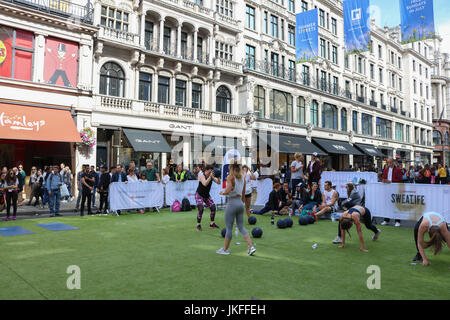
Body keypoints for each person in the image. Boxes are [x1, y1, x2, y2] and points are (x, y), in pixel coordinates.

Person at [216, 160, 256, 256]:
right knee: (241, 227)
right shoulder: (242, 178)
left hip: (232, 203)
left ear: (231, 167)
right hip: (240, 203)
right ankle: (250, 246)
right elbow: (242, 193)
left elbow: (228, 190)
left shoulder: (230, 177)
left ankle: (225, 249)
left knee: (229, 228)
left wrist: (223, 192)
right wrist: (241, 202)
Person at [195, 165, 221, 231]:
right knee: (201, 209)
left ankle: (212, 224)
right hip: (199, 195)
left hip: (206, 195)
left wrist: (218, 176)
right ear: (206, 170)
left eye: (212, 172)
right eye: (210, 171)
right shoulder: (201, 175)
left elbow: (218, 182)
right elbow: (205, 184)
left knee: (213, 208)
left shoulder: (211, 176)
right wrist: (210, 177)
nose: (211, 173)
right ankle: (198, 225)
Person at [381, 158, 402, 227]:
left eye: (389, 162)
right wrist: (384, 180)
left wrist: (391, 181)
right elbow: (383, 178)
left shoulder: (398, 170)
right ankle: (386, 220)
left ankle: (397, 221)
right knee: (387, 205)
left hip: (395, 189)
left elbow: (400, 180)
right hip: (387, 189)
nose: (388, 164)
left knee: (396, 205)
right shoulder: (386, 169)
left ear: (393, 162)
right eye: (387, 162)